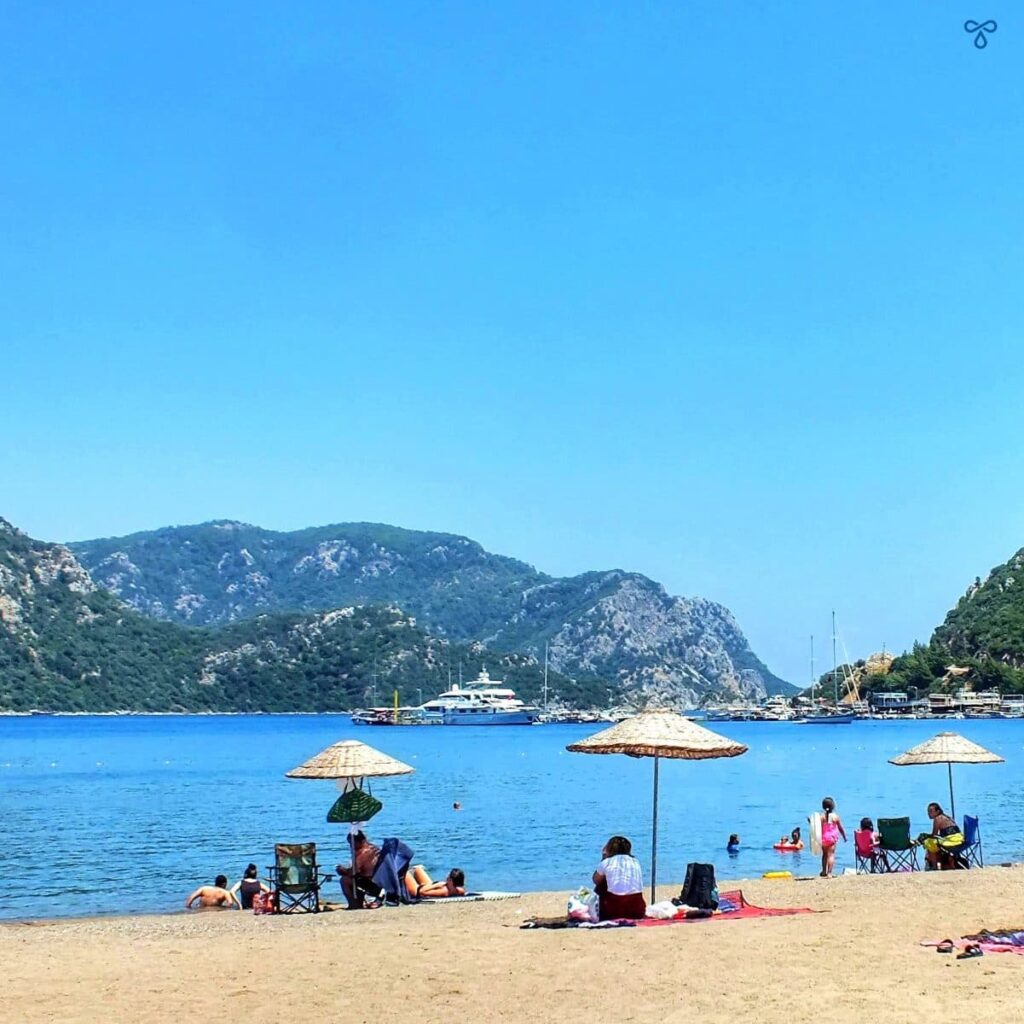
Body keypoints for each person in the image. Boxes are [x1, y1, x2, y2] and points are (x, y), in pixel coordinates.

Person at [592, 835, 646, 921]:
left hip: (614, 911)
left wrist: (603, 859)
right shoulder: (635, 861)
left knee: (602, 883)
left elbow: (595, 880)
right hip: (637, 910)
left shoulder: (607, 862)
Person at [336, 831, 383, 909]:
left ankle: (354, 904)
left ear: (360, 841)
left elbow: (354, 872)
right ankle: (358, 902)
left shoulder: (363, 852)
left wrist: (342, 871)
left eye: (352, 843)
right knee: (357, 878)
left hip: (372, 885)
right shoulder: (374, 848)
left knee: (344, 880)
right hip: (380, 883)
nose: (351, 846)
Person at [920, 802, 964, 870]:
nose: (929, 813)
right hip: (960, 839)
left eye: (931, 811)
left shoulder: (937, 818)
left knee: (928, 842)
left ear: (937, 811)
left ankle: (934, 866)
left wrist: (925, 836)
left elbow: (934, 834)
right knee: (934, 842)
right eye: (928, 811)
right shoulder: (947, 817)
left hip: (952, 841)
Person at [819, 797, 847, 877]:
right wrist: (844, 837)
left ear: (823, 806)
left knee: (824, 854)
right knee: (831, 855)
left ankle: (824, 871)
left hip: (823, 838)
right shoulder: (836, 817)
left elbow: (816, 828)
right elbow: (841, 828)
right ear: (833, 806)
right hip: (832, 838)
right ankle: (830, 873)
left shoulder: (821, 817)